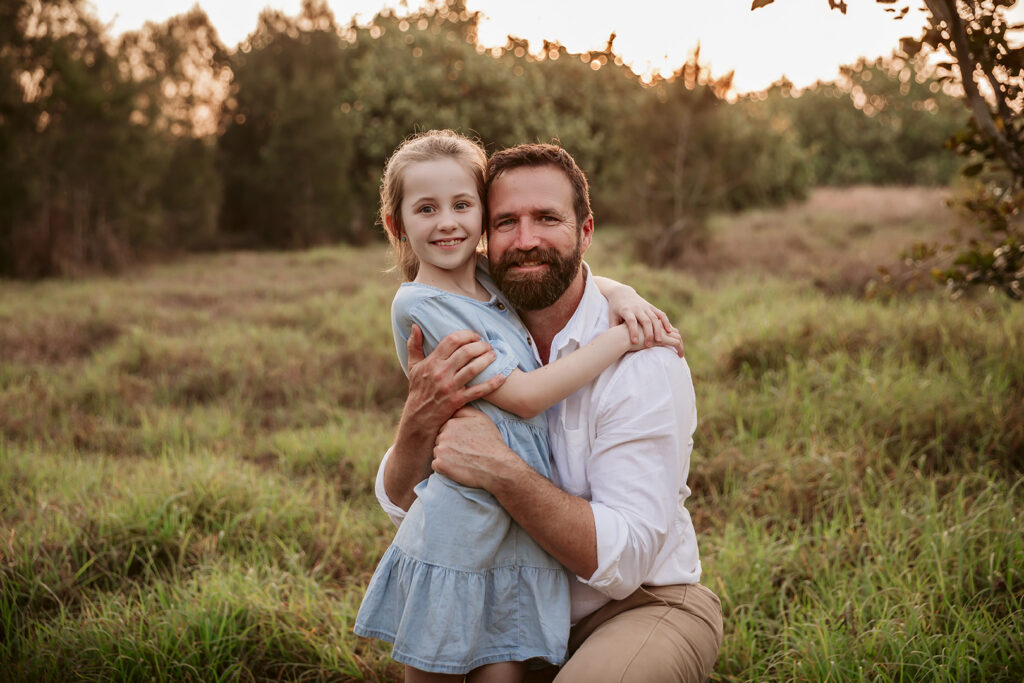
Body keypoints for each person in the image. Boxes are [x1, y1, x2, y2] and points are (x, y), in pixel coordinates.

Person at [376, 143, 724, 683]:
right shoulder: (482, 309)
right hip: (516, 597)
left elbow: (625, 562)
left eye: (547, 218)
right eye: (507, 222)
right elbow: (400, 499)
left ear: (585, 232)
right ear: (488, 238)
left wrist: (624, 309)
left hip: (638, 601)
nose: (527, 239)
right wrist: (421, 420)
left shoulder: (644, 358)